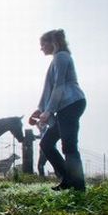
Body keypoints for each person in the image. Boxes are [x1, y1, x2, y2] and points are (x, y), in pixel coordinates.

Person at [28, 29, 87, 191]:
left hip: (71, 103)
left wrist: (48, 111)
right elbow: (50, 88)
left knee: (69, 146)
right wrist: (40, 109)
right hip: (63, 107)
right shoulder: (56, 60)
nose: (41, 48)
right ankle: (67, 179)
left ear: (52, 43)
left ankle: (78, 186)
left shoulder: (61, 57)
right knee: (46, 143)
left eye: (43, 44)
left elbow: (59, 86)